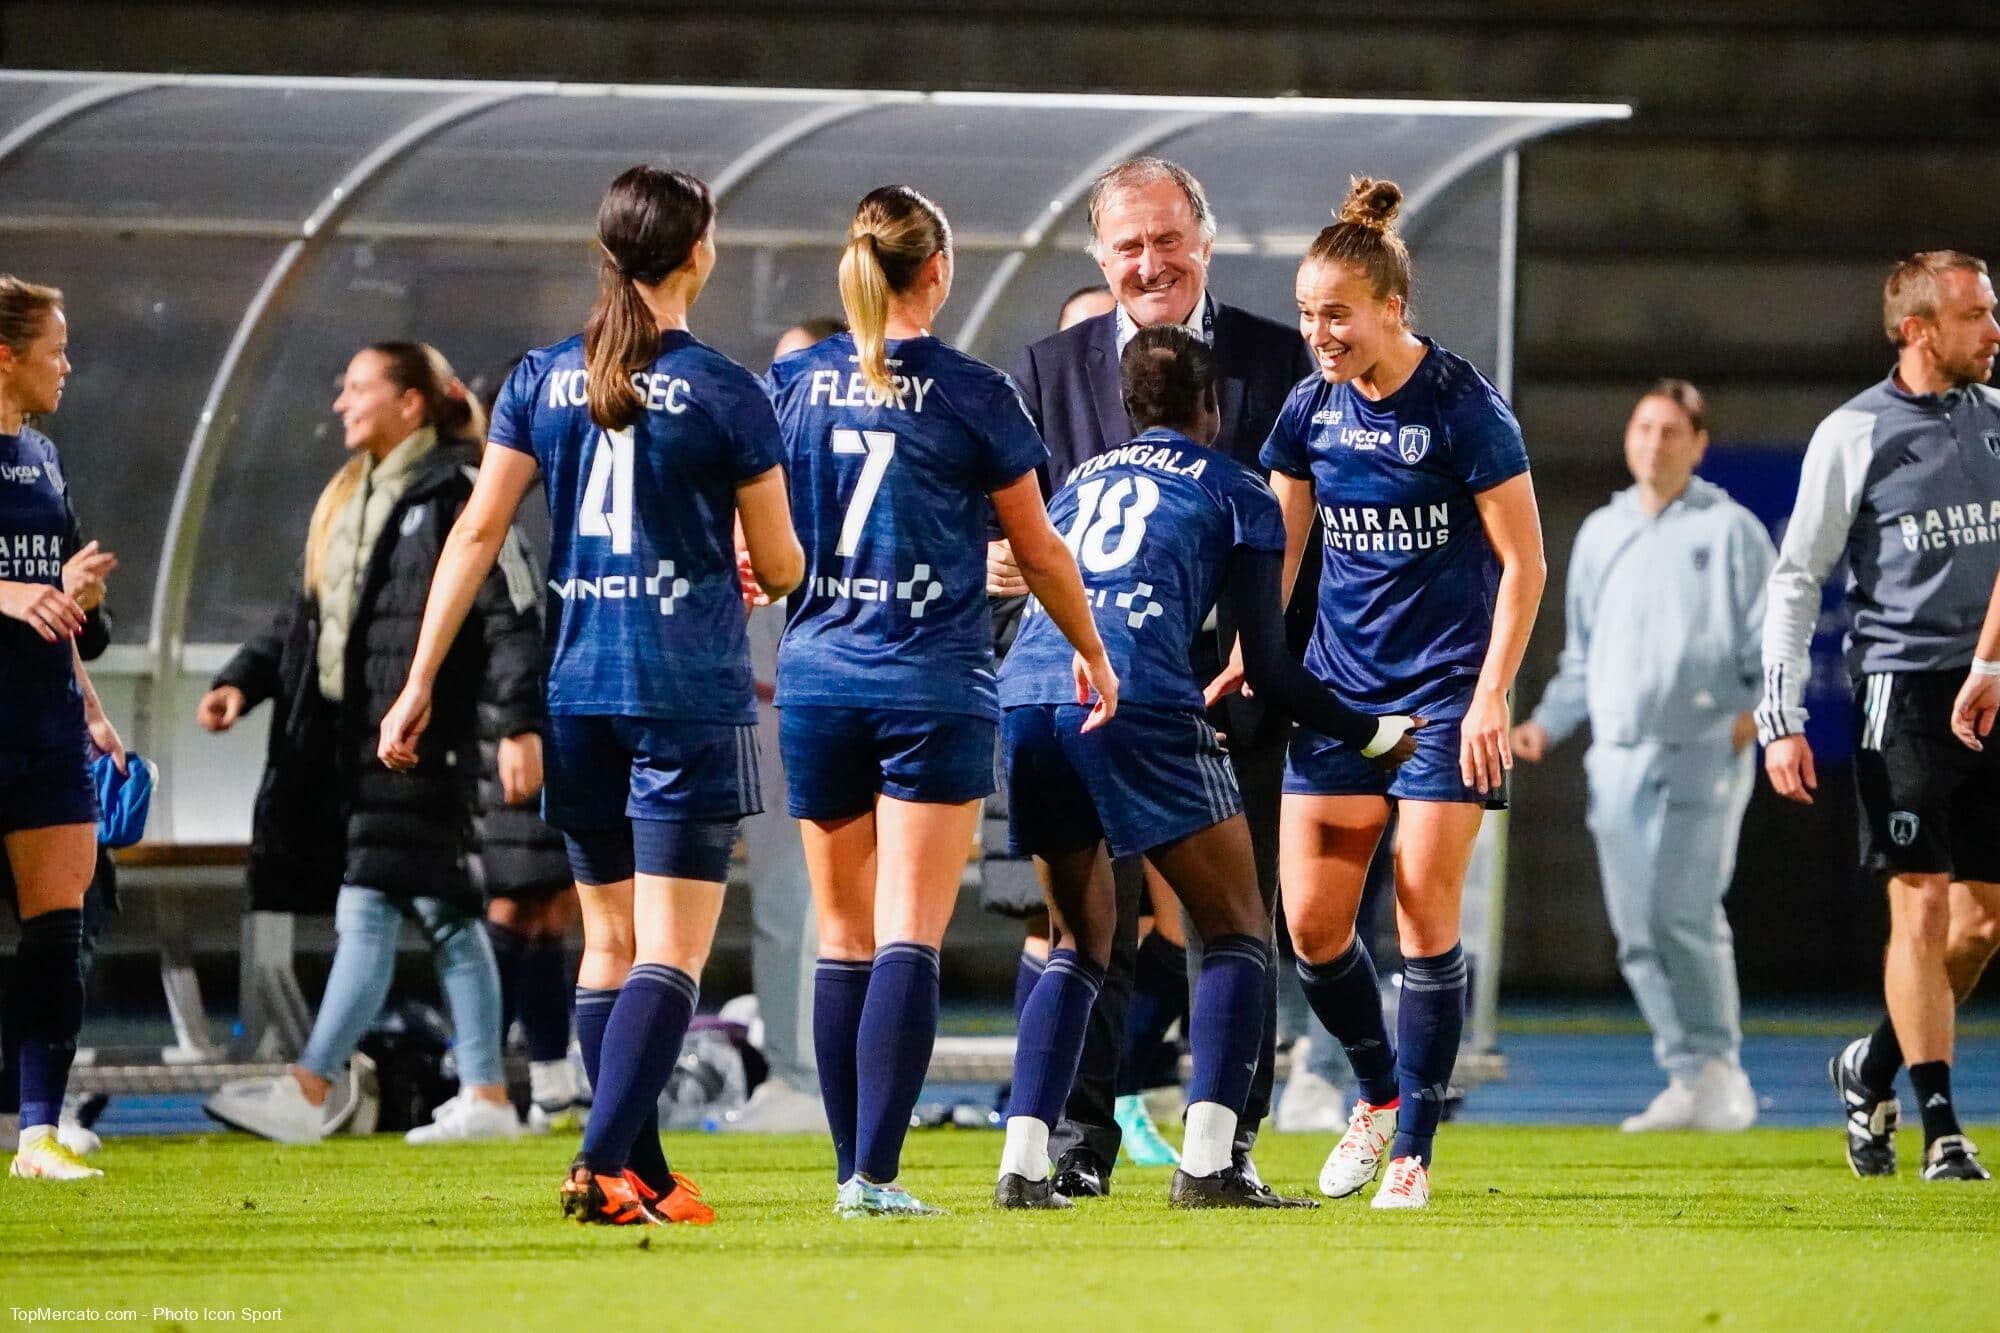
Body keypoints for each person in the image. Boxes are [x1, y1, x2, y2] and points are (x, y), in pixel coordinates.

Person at [382, 164, 803, 1224]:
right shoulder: (724, 389)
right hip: (684, 692)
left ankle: (643, 1173)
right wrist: (747, 562)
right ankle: (597, 1157)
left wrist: (419, 679)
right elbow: (784, 564)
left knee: (609, 944)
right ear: (697, 251)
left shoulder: (538, 378)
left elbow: (477, 534)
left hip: (580, 693)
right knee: (674, 952)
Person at [996, 323, 1417, 1209]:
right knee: (1234, 927)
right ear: (1211, 406)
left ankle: (1023, 1165)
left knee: (1077, 940)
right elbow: (1265, 667)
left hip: (1027, 694)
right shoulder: (1238, 489)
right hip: (1134, 695)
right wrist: (1371, 731)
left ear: (1126, 406)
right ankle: (1212, 1162)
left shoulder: (1078, 480)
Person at [765, 184, 1115, 1218]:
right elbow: (1039, 546)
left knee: (841, 932)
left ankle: (848, 1171)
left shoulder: (792, 382)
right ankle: (875, 1175)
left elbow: (755, 526)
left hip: (817, 679)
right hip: (932, 682)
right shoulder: (972, 393)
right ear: (938, 270)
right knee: (907, 931)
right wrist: (1091, 651)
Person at [1000, 155, 1316, 1201]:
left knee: (1208, 917)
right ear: (1099, 256)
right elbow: (1005, 526)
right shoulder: (1048, 369)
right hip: (1105, 688)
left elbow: (1305, 517)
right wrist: (996, 562)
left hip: (1220, 690)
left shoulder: (1277, 360)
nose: (1148, 262)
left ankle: (1219, 1135)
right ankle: (1086, 1144)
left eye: (1166, 239)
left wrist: (1258, 657)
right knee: (1131, 928)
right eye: (1127, 245)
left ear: (1204, 240)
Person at [1251, 178, 1544, 1211]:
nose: (1316, 332)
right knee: (1313, 930)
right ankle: (1376, 1095)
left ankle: (1413, 1143)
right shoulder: (1308, 410)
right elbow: (1279, 548)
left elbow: (1523, 564)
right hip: (1338, 701)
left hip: (1438, 702)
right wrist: (1258, 650)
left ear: (1388, 307)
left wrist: (1489, 696)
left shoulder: (1462, 407)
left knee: (1423, 914)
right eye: (1303, 312)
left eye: (1334, 312)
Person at [199, 342, 541, 1149]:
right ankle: (487, 1093)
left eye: (359, 388)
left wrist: (521, 721)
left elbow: (511, 611)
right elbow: (307, 611)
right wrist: (244, 679)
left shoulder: (456, 486)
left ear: (412, 403)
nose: (340, 403)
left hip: (430, 738)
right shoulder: (353, 494)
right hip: (362, 743)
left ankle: (312, 1082)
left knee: (371, 903)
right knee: (447, 912)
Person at [1763, 250, 2000, 1183]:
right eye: (1977, 314)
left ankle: (1871, 1065)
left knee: (1979, 927)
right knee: (1922, 902)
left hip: (1991, 682)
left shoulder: (1998, 423)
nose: (1995, 329)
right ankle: (1943, 1126)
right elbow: (1797, 576)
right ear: (1918, 329)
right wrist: (1779, 712)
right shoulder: (1854, 433)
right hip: (1901, 692)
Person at [1512, 380, 1772, 1131]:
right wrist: (1548, 724)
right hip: (1618, 755)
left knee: (1682, 912)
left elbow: (1771, 637)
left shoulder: (1731, 530)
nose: (1654, 442)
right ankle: (1686, 1074)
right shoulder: (1601, 531)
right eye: (1643, 428)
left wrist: (1753, 717)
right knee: (1635, 926)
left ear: (1698, 443)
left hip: (1703, 748)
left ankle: (1721, 1067)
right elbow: (1583, 657)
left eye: (1670, 431)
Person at [0, 275, 124, 1181]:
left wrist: (90, 702)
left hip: (44, 722)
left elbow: (59, 602)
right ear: (8, 356)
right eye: (56, 349)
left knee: (58, 933)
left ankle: (37, 1131)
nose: (68, 364)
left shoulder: (42, 457)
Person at [714, 316, 847, 1135]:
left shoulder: (834, 463)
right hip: (767, 701)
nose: (784, 386)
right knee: (784, 897)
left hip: (825, 698)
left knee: (814, 899)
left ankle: (813, 1073)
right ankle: (799, 1070)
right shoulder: (756, 463)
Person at [459, 352, 588, 1133]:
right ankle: (484, 1075)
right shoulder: (486, 497)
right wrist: (514, 722)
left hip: (542, 718)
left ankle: (547, 1074)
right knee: (513, 900)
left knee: (546, 905)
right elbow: (508, 624)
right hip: (507, 729)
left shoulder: (535, 495)